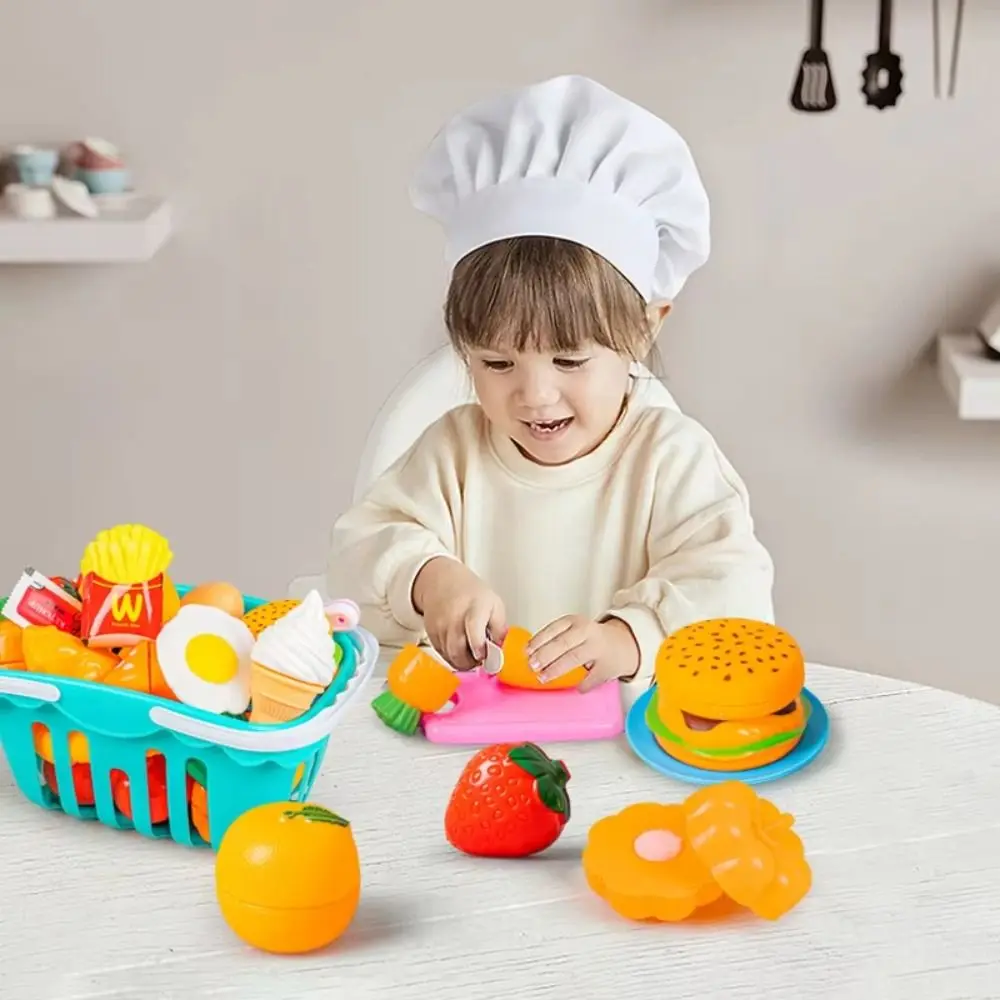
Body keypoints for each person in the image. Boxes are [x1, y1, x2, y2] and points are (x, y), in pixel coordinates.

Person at [327, 75, 774, 706]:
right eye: (497, 363)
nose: (535, 395)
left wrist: (628, 637)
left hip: (632, 747)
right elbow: (362, 543)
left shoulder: (671, 460)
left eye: (569, 359)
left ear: (645, 330)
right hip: (466, 745)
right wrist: (431, 579)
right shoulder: (451, 454)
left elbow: (733, 590)